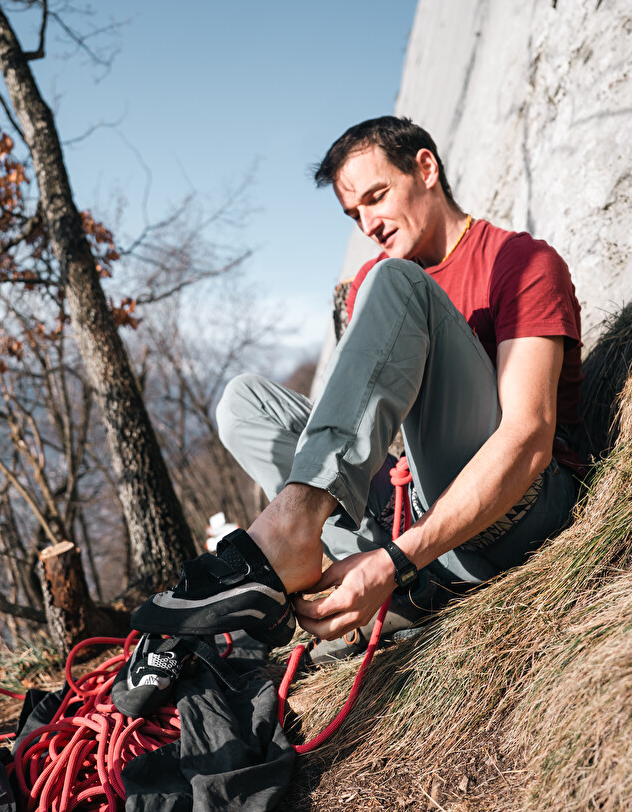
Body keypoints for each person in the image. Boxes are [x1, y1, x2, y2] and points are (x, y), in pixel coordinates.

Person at [131, 116, 583, 661]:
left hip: (516, 511)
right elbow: (353, 425)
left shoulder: (519, 262)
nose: (368, 223)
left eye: (377, 196)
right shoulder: (370, 280)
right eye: (354, 213)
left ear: (426, 168)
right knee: (242, 403)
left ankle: (327, 552)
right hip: (418, 511)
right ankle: (354, 576)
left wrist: (394, 558)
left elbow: (530, 435)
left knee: (395, 282)